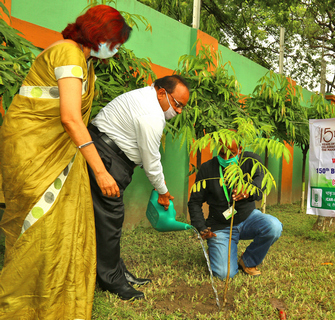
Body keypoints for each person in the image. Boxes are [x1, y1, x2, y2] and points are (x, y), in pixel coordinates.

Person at [0, 5, 131, 319]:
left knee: (59, 231)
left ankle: (52, 302)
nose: (114, 50)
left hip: (56, 151)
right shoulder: (69, 56)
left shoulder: (84, 61)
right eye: (113, 42)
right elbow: (71, 119)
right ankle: (21, 305)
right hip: (33, 150)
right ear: (98, 34)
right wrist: (100, 171)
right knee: (37, 229)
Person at [87, 75, 190, 300]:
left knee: (106, 221)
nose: (179, 111)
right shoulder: (152, 114)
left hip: (105, 153)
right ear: (162, 93)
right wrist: (163, 192)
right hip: (107, 160)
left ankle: (117, 271)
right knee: (110, 220)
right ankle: (111, 280)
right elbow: (151, 160)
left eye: (183, 107)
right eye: (178, 104)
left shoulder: (144, 98)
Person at [188, 138, 283, 279]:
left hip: (248, 218)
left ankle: (248, 261)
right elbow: (194, 202)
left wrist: (249, 191)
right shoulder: (207, 169)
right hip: (220, 225)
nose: (226, 158)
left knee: (273, 226)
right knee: (224, 274)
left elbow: (261, 181)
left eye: (231, 154)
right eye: (222, 153)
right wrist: (201, 227)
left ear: (239, 149)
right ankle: (216, 249)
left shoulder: (250, 161)